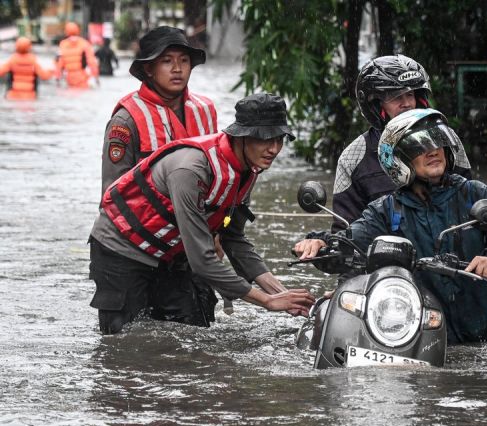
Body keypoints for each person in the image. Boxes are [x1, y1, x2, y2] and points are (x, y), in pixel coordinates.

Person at [88, 93, 315, 335]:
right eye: (264, 138)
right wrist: (267, 302)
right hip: (121, 250)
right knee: (126, 341)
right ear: (241, 137)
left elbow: (234, 239)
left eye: (279, 139)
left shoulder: (248, 170)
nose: (274, 149)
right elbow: (202, 260)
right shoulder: (191, 169)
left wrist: (281, 294)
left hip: (170, 255)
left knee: (193, 330)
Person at [294, 109, 487, 343]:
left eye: (438, 142)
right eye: (420, 147)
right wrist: (321, 242)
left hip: (486, 340)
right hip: (421, 335)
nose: (433, 151)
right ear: (398, 159)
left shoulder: (475, 193)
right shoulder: (385, 210)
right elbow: (350, 243)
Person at [332, 55, 472, 231]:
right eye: (395, 96)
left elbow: (469, 200)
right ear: (376, 105)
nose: (406, 104)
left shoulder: (446, 139)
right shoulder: (353, 157)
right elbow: (344, 230)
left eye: (410, 95)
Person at [101, 25, 217, 195]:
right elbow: (113, 195)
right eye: (167, 61)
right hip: (149, 219)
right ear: (149, 69)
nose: (177, 69)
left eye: (184, 60)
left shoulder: (205, 110)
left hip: (197, 215)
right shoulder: (126, 120)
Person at [55, 22, 99, 88]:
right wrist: (96, 77)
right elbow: (91, 62)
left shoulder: (63, 44)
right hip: (82, 77)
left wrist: (58, 77)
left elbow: (59, 63)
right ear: (78, 30)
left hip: (69, 78)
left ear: (66, 31)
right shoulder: (84, 43)